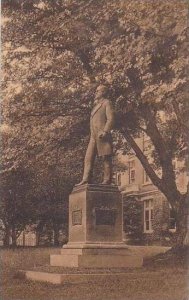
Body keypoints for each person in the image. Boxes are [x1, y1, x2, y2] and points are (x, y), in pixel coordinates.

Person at [76, 84, 115, 186]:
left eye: (98, 91)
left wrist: (105, 131)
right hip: (93, 137)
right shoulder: (95, 106)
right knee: (88, 157)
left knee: (106, 158)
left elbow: (110, 118)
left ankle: (107, 180)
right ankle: (86, 179)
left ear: (103, 92)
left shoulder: (107, 103)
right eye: (96, 91)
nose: (96, 93)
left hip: (102, 135)